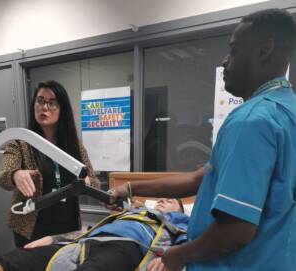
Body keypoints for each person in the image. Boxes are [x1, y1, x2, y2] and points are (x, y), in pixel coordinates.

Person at [110, 8, 296, 271]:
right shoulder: (288, 111)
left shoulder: (251, 120)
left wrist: (179, 255)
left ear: (264, 50)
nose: (224, 61)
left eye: (233, 50)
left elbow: (236, 229)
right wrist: (129, 189)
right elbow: (200, 178)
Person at [0, 80, 100, 247]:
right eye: (40, 101)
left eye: (52, 103)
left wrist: (87, 182)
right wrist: (15, 174)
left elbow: (94, 181)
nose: (44, 107)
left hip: (68, 227)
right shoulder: (21, 142)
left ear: (62, 109)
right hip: (31, 228)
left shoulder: (74, 145)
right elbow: (3, 176)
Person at [0, 198, 189, 271]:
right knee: (14, 260)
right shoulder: (128, 213)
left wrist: (170, 258)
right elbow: (87, 231)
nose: (163, 200)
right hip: (86, 242)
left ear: (179, 211)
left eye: (171, 201)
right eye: (161, 199)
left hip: (125, 246)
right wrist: (53, 239)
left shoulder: (176, 221)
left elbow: (185, 243)